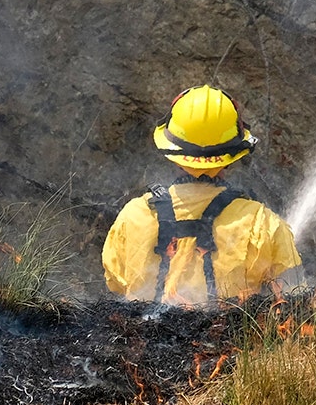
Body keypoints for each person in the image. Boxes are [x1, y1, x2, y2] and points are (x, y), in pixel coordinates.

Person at [101, 85, 301, 304]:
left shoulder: (134, 215)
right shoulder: (261, 223)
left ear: (171, 150)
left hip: (140, 336)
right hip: (230, 337)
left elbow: (115, 282)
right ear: (234, 152)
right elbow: (293, 297)